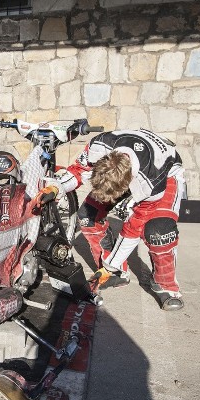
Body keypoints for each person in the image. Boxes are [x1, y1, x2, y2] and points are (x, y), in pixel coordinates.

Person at [56, 128, 186, 311]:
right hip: (131, 164)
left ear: (128, 185)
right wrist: (56, 188)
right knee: (87, 214)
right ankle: (117, 273)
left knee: (159, 230)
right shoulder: (98, 145)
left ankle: (165, 285)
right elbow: (78, 171)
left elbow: (133, 229)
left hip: (167, 175)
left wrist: (109, 265)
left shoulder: (150, 184)